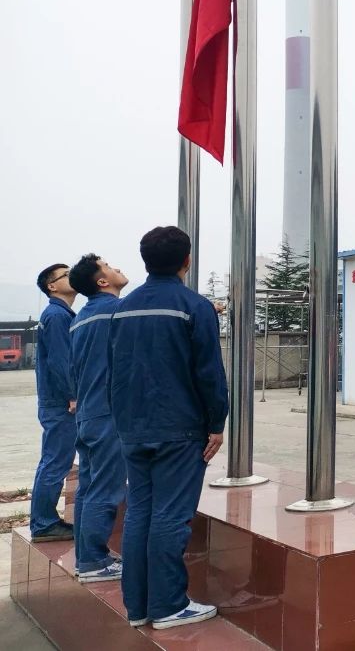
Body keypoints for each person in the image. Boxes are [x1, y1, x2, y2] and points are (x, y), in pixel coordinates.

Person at [109, 226, 227, 628]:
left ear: (145, 260)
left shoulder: (123, 308)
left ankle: (138, 606)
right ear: (187, 261)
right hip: (179, 428)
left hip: (133, 427)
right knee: (171, 516)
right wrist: (216, 422)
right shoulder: (195, 306)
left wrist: (122, 421)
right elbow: (209, 372)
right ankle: (168, 606)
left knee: (139, 512)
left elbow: (115, 369)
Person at [68, 254, 129, 582]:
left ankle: (86, 557)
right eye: (108, 266)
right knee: (106, 488)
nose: (116, 267)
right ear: (102, 281)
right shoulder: (118, 311)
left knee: (88, 487)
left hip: (88, 413)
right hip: (109, 413)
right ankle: (93, 561)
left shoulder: (80, 318)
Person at [30, 262, 78, 543]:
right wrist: (73, 394)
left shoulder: (57, 313)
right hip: (60, 402)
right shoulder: (58, 315)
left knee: (52, 460)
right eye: (66, 275)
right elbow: (61, 360)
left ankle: (43, 521)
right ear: (52, 286)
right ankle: (44, 523)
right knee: (56, 462)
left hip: (54, 400)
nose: (72, 277)